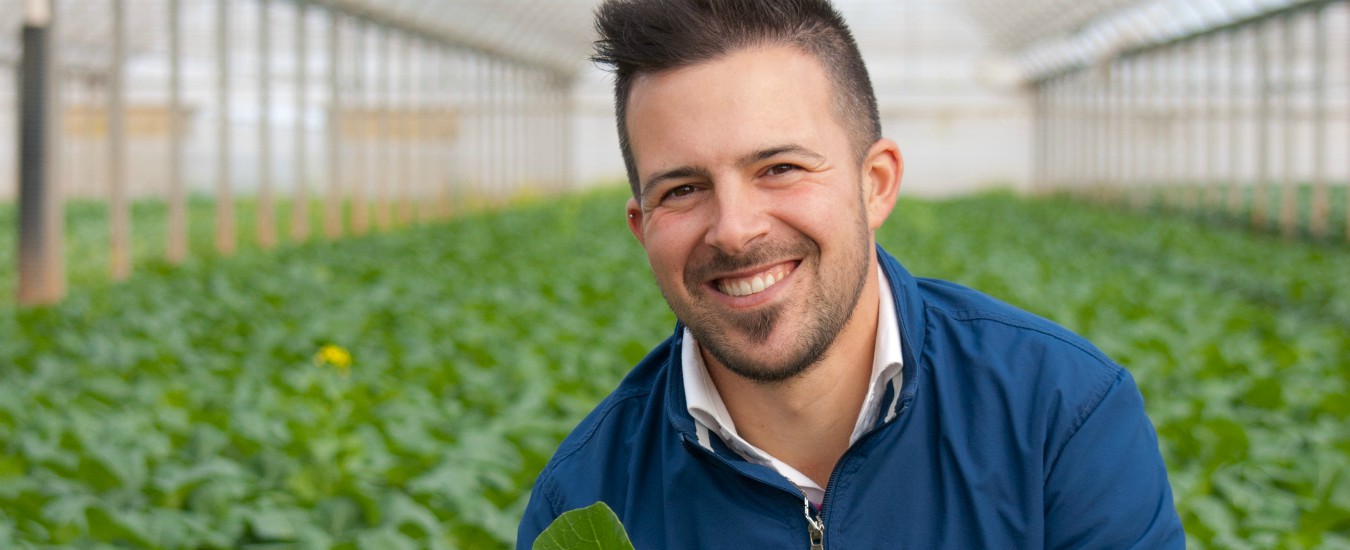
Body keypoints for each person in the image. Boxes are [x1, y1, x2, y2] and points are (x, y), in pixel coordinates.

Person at [518, 0, 1185, 547]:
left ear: (876, 184)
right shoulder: (583, 503)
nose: (735, 228)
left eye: (779, 168)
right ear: (642, 228)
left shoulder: (1059, 417)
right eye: (683, 189)